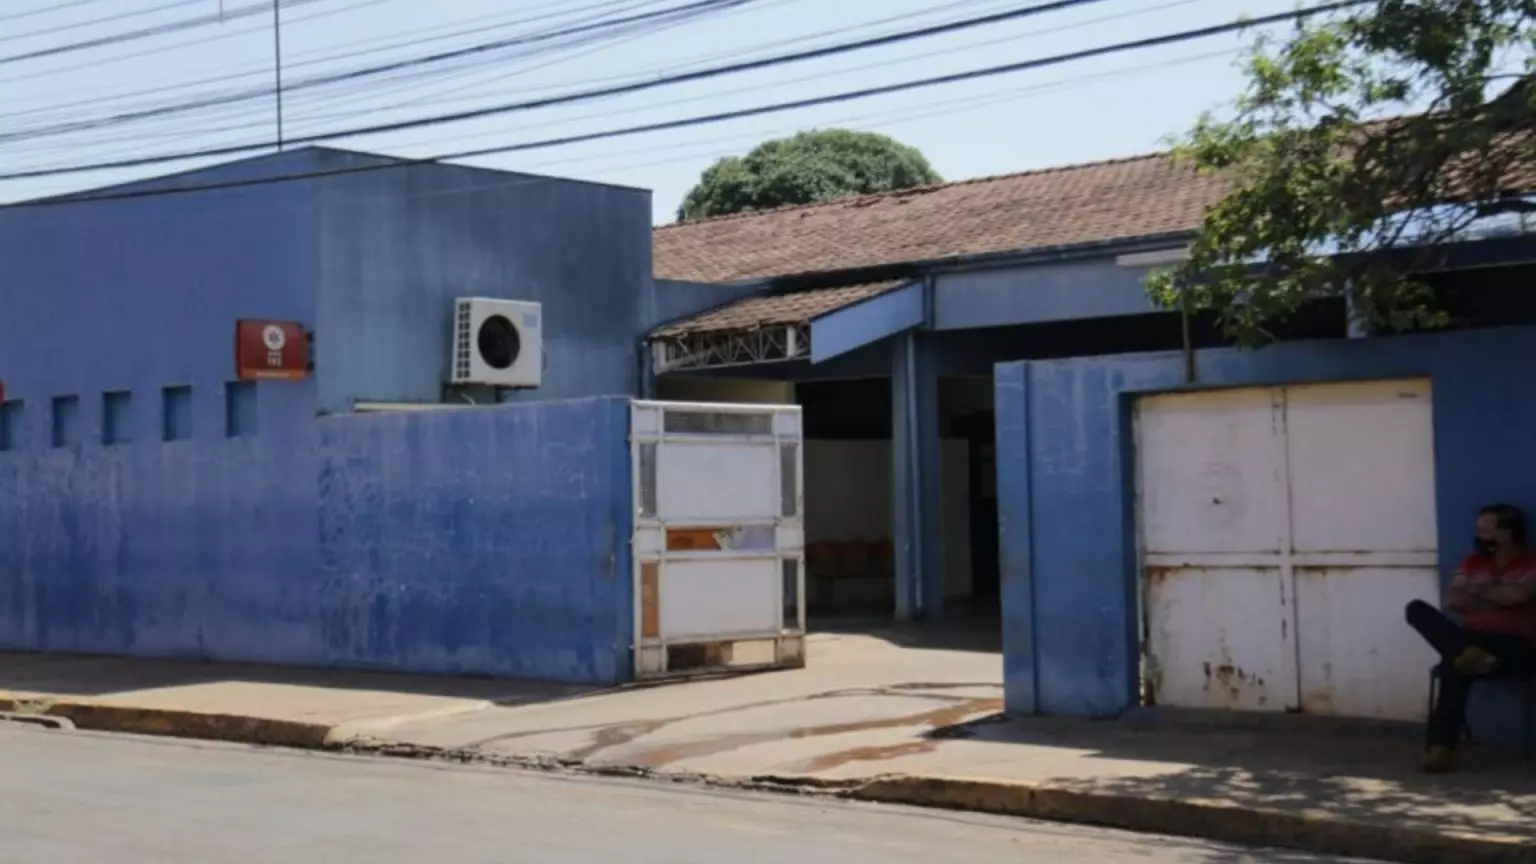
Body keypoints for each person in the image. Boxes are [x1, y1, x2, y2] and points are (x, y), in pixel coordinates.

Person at [1405, 503, 1536, 772]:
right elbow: (1453, 600)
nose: (1479, 535)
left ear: (1507, 534)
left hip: (1513, 643)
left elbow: (1517, 597)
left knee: (1456, 665)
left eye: (1485, 530)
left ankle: (1440, 749)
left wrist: (1476, 591)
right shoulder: (1472, 562)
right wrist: (1498, 598)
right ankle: (1470, 654)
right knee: (1417, 609)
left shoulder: (1530, 563)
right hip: (1470, 637)